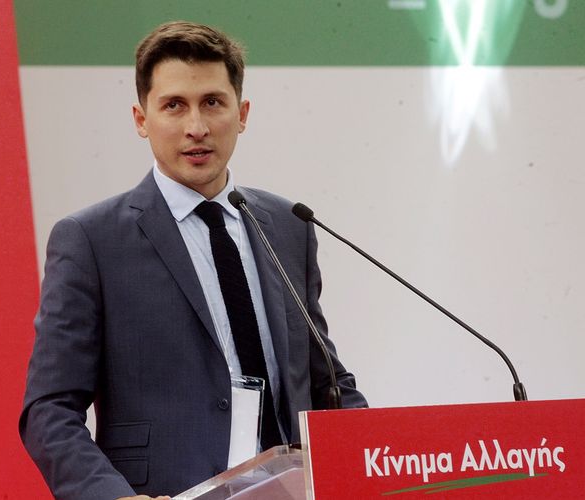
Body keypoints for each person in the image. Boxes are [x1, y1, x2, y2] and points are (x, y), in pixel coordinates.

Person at [19, 20, 367, 500]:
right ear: (141, 120)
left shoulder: (289, 226)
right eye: (174, 105)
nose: (196, 127)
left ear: (242, 114)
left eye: (213, 103)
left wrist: (379, 456)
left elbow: (327, 382)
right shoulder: (91, 240)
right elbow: (49, 410)